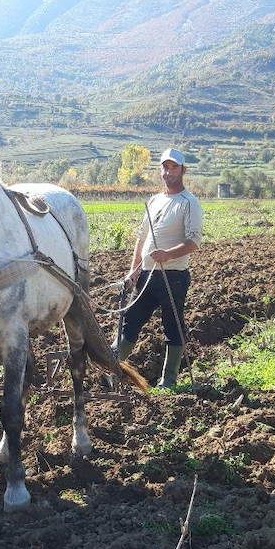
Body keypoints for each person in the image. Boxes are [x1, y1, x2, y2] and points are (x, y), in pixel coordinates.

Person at [114, 148, 203, 387]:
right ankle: (113, 369)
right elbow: (141, 238)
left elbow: (194, 241)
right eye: (165, 167)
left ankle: (169, 381)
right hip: (146, 275)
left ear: (183, 170)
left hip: (173, 276)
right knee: (130, 321)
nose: (169, 172)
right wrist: (133, 270)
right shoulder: (154, 200)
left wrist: (167, 254)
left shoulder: (188, 203)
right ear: (160, 170)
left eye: (174, 167)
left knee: (172, 326)